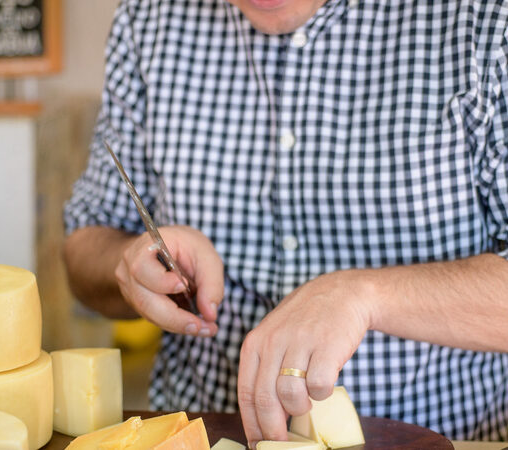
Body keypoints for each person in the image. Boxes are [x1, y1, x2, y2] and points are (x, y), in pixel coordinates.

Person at [63, 0, 508, 447]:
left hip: (447, 437)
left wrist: (365, 296)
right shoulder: (147, 20)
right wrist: (132, 264)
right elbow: (86, 246)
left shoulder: (483, 20)